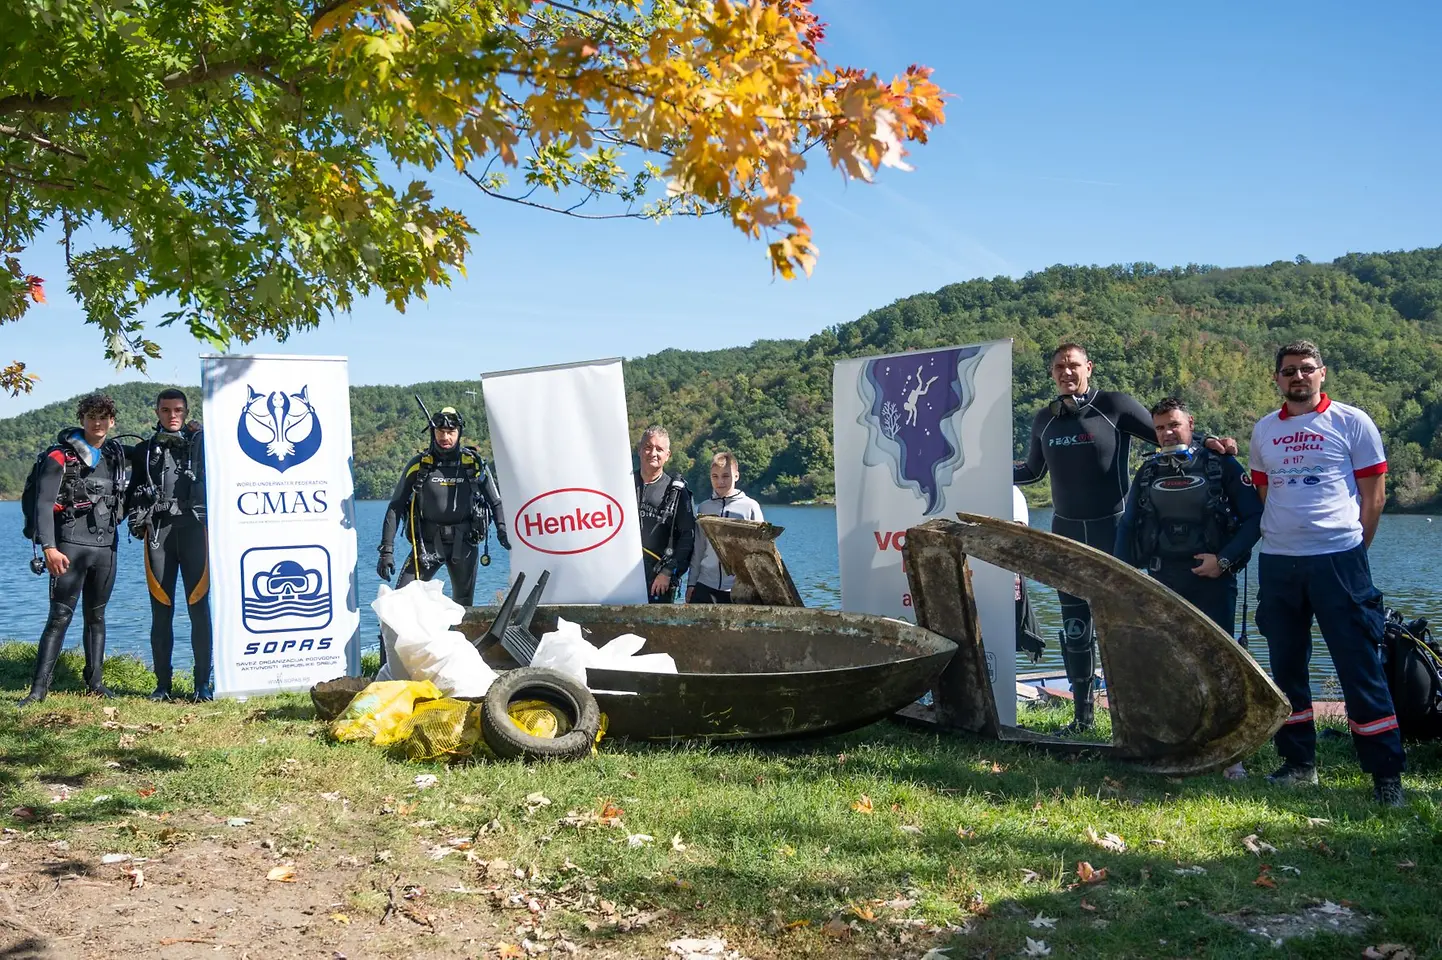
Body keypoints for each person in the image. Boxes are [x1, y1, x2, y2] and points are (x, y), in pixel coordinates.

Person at [1014, 343, 1234, 732]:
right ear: (1051, 373)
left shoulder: (1113, 405)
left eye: (1074, 365)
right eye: (1059, 367)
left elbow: (1169, 436)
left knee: (1122, 627)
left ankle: (1133, 716)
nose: (1066, 372)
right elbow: (1032, 471)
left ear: (1089, 367)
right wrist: (981, 469)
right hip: (1066, 533)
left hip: (1113, 531)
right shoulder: (1044, 419)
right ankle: (1082, 718)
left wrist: (1214, 445)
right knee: (1076, 627)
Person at [1248, 340, 1405, 806]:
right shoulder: (1264, 431)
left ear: (1323, 374)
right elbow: (1264, 492)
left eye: (1306, 369)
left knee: (1358, 666)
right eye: (1289, 370)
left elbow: (1373, 496)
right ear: (1276, 378)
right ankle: (1299, 765)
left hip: (1339, 559)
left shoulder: (1352, 422)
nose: (1298, 377)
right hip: (1278, 562)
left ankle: (1385, 775)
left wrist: (1353, 546)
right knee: (1286, 667)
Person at [1115, 397, 1263, 777]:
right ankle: (1176, 745)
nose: (1167, 432)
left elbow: (1254, 518)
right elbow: (1128, 525)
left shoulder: (1221, 464)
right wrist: (1120, 575)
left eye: (1174, 424)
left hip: (1214, 580)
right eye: (1160, 427)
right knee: (1168, 664)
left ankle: (1231, 756)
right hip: (1164, 580)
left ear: (1190, 423)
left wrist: (1224, 560)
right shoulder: (1148, 470)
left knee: (1222, 664)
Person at [20, 393, 127, 706]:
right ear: (82, 420)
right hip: (68, 547)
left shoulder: (114, 456)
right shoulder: (59, 457)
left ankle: (95, 683)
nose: (98, 422)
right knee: (59, 617)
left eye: (104, 417)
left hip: (106, 549)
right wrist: (49, 548)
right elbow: (42, 504)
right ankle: (38, 690)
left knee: (97, 617)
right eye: (92, 416)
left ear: (112, 421)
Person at [125, 389, 211, 702]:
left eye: (177, 410)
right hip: (158, 535)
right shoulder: (144, 451)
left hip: (194, 534)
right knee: (161, 612)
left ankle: (202, 684)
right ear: (157, 412)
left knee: (199, 610)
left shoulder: (203, 447)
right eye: (165, 410)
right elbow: (130, 492)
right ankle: (163, 686)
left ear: (186, 413)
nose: (171, 415)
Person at [377, 406, 510, 607]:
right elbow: (396, 506)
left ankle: (460, 638)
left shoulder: (473, 464)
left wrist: (502, 530)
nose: (445, 437)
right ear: (433, 432)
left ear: (459, 433)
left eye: (451, 432)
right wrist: (386, 550)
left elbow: (496, 502)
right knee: (400, 602)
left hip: (465, 543)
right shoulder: (420, 465)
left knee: (463, 606)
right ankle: (392, 639)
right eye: (440, 432)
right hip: (426, 545)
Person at [686, 451, 764, 603]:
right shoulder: (704, 508)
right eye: (715, 476)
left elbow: (760, 552)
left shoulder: (750, 507)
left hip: (738, 587)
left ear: (736, 476)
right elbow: (699, 548)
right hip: (705, 584)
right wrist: (691, 583)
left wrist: (759, 586)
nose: (720, 481)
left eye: (726, 476)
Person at [633, 426, 696, 603]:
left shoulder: (677, 492)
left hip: (658, 579)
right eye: (648, 447)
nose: (653, 453)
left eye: (659, 449)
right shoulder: (623, 484)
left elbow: (687, 537)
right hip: (619, 576)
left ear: (667, 455)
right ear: (639, 450)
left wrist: (668, 572)